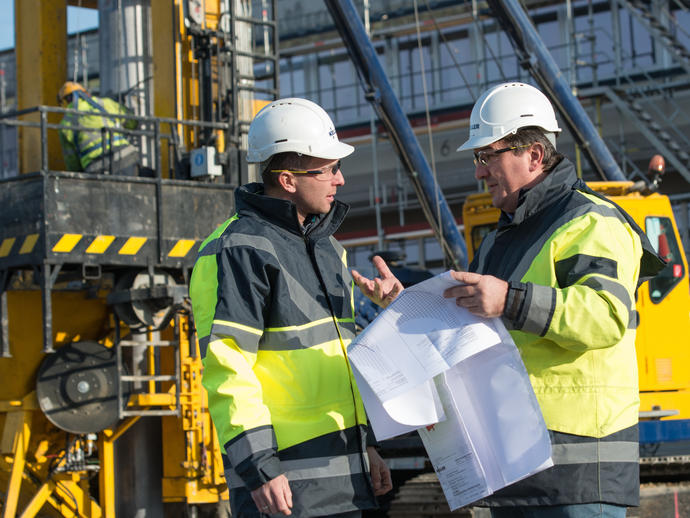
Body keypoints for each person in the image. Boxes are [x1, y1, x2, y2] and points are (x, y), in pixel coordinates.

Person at [353, 82, 665, 518]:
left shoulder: (592, 221)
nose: (479, 171)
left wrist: (509, 301)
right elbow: (472, 324)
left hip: (574, 472)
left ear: (534, 155)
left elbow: (606, 316)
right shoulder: (504, 237)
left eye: (487, 156)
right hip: (513, 461)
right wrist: (405, 306)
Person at [190, 97, 392, 517]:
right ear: (287, 180)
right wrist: (260, 467)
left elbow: (338, 363)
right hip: (285, 485)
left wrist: (367, 444)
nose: (339, 180)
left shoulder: (327, 248)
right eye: (329, 169)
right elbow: (229, 369)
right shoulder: (241, 248)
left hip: (347, 476)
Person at [57, 81, 140, 176]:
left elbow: (72, 162)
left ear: (64, 102)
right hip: (126, 156)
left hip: (96, 168)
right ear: (85, 93)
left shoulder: (65, 124)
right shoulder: (105, 103)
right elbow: (133, 122)